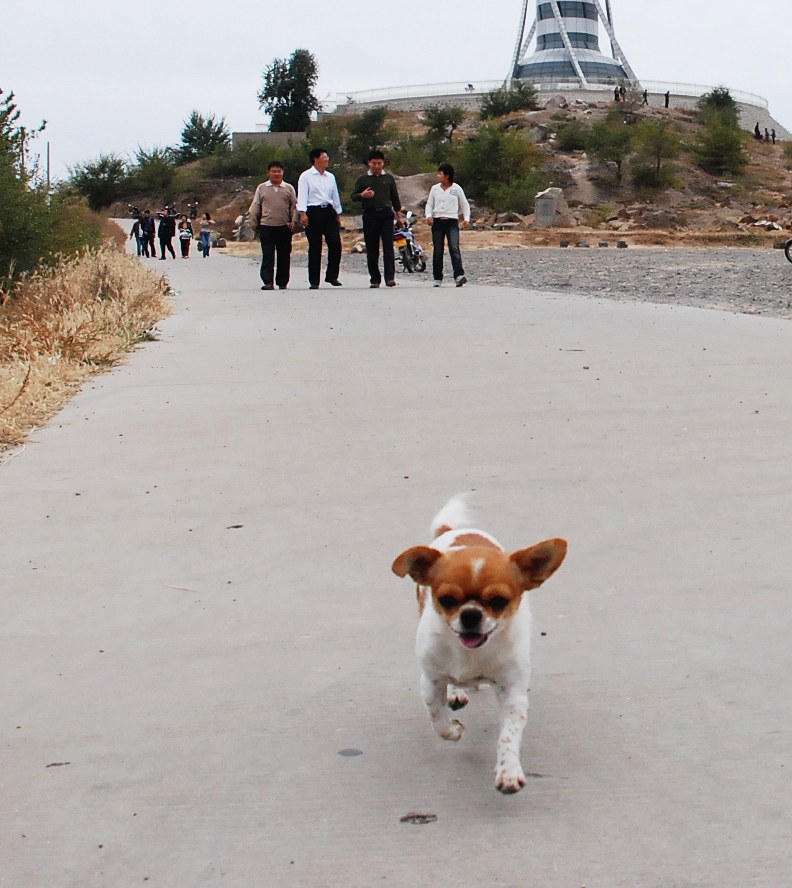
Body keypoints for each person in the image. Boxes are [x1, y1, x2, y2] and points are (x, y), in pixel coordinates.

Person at [351, 149, 403, 288]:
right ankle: (375, 278)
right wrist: (362, 195)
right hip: (370, 215)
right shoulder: (363, 179)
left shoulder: (389, 178)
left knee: (388, 247)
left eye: (379, 163)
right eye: (374, 163)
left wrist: (399, 215)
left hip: (386, 215)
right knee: (372, 249)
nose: (377, 166)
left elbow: (395, 197)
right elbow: (353, 196)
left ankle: (390, 277)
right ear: (369, 163)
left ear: (383, 163)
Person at [296, 147, 343, 289]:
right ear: (316, 159)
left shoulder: (330, 177)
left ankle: (332, 275)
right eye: (324, 157)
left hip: (328, 212)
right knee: (315, 247)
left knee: (335, 244)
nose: (327, 160)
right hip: (313, 212)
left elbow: (335, 196)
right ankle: (314, 280)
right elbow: (303, 195)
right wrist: (302, 213)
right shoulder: (306, 176)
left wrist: (338, 213)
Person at [248, 160, 298, 290]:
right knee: (268, 256)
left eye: (279, 171)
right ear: (268, 173)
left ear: (283, 172)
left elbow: (294, 206)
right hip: (267, 226)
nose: (276, 174)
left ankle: (282, 282)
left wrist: (294, 221)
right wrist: (254, 223)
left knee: (284, 256)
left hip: (284, 227)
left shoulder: (289, 188)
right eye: (273, 171)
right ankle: (267, 281)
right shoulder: (262, 188)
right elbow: (255, 206)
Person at [425, 162, 470, 288]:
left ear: (447, 176)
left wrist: (466, 218)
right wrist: (429, 216)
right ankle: (437, 277)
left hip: (451, 221)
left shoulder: (456, 189)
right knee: (438, 250)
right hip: (438, 220)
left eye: (440, 173)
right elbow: (429, 204)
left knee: (454, 247)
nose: (438, 176)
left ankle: (459, 275)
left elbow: (464, 204)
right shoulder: (435, 189)